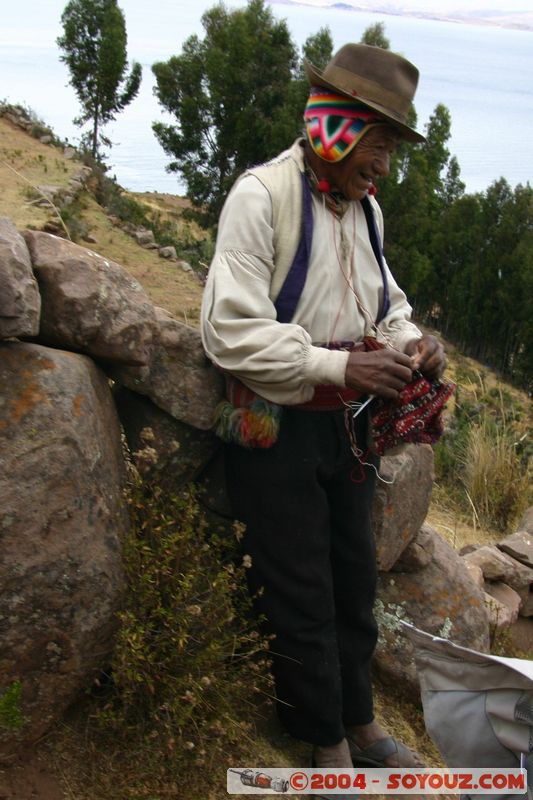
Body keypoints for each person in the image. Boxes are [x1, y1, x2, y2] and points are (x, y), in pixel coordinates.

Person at [201, 43, 446, 772]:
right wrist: (339, 365)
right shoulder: (261, 197)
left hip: (347, 428)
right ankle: (323, 739)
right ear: (336, 127)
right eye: (379, 145)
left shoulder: (365, 211)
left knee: (352, 576)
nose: (385, 166)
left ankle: (360, 723)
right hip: (274, 425)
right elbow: (229, 332)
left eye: (391, 149)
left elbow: (385, 306)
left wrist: (411, 343)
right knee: (299, 584)